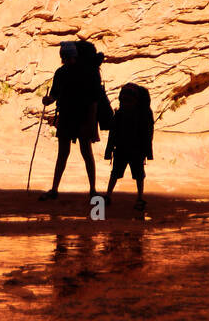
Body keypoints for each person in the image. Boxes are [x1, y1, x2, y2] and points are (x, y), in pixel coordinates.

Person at [40, 41, 102, 200]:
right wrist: (49, 100)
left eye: (69, 57)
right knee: (68, 152)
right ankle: (57, 189)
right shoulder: (63, 73)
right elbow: (55, 94)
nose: (68, 60)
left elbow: (93, 99)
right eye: (66, 57)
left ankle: (91, 189)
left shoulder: (79, 73)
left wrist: (91, 123)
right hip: (70, 116)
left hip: (79, 116)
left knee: (84, 152)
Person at [104, 83, 154, 211]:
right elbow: (148, 134)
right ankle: (139, 198)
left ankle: (109, 195)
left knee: (119, 173)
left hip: (127, 150)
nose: (125, 103)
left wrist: (109, 151)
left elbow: (113, 134)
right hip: (132, 150)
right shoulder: (141, 115)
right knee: (136, 174)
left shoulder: (122, 114)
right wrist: (147, 152)